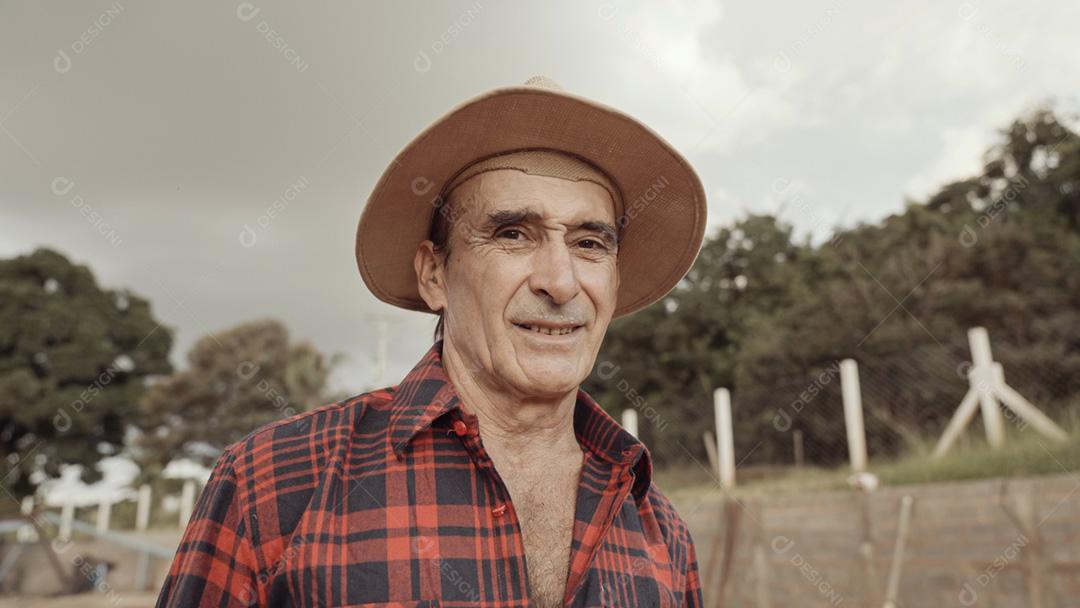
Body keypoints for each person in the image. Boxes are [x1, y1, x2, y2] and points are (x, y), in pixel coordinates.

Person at [157, 75, 708, 607]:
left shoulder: (660, 530)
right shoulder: (274, 481)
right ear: (435, 276)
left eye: (590, 243)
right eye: (513, 234)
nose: (560, 282)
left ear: (612, 281)